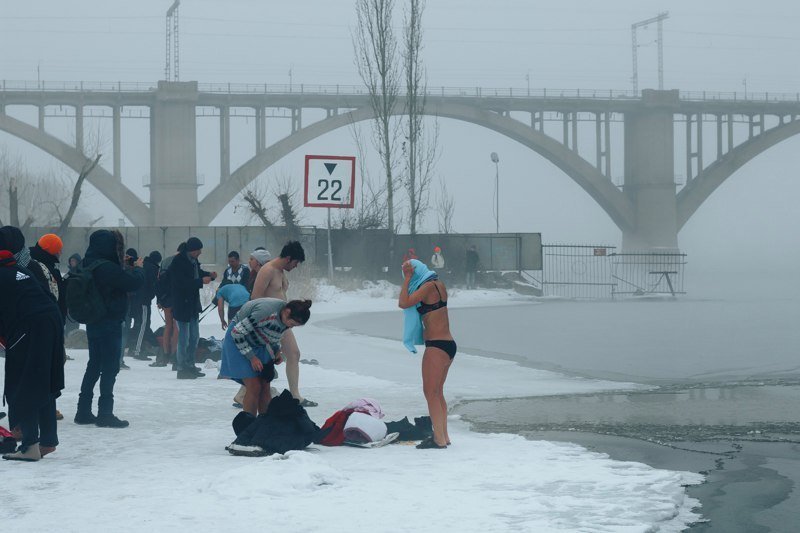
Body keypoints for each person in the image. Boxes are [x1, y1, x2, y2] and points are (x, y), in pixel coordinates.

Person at [0, 226, 65, 461]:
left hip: (30, 326)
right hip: (49, 323)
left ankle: (30, 446)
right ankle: (45, 441)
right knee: (40, 380)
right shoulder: (20, 268)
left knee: (23, 382)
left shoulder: (10, 271)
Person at [75, 229, 143, 429]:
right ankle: (105, 412)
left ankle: (83, 410)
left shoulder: (86, 264)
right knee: (110, 367)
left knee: (94, 364)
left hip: (92, 321)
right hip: (110, 322)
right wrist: (138, 268)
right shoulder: (107, 268)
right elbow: (133, 283)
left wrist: (123, 265)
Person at [398, 259, 456, 450]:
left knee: (430, 392)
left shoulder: (428, 287)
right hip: (447, 345)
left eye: (410, 274)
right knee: (437, 392)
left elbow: (403, 302)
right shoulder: (438, 284)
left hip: (437, 346)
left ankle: (438, 439)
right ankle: (444, 436)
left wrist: (407, 279)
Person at [219, 298, 311, 416]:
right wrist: (252, 357)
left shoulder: (285, 318)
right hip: (238, 339)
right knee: (254, 387)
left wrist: (276, 351)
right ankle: (249, 423)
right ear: (287, 312)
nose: (291, 327)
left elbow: (275, 334)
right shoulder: (265, 312)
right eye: (292, 324)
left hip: (259, 341)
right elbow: (237, 333)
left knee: (265, 384)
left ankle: (265, 422)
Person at [250, 241, 315, 407]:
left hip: (283, 321)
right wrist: (263, 324)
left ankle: (295, 395)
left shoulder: (280, 271)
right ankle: (245, 393)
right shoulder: (268, 270)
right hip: (269, 321)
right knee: (270, 358)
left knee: (293, 354)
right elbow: (255, 298)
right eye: (295, 262)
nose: (296, 266)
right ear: (288, 258)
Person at [168, 236, 216, 379]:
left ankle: (190, 364)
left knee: (194, 337)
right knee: (184, 338)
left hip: (193, 305)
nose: (200, 253)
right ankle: (181, 367)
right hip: (182, 304)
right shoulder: (178, 262)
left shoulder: (193, 261)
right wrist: (201, 281)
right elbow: (182, 283)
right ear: (192, 250)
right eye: (198, 250)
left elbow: (197, 274)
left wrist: (209, 275)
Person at [152, 243, 182, 368]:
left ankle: (165, 354)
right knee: (176, 326)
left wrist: (159, 299)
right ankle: (174, 355)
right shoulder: (182, 261)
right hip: (176, 296)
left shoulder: (165, 261)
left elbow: (158, 280)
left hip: (165, 298)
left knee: (168, 325)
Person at [128, 251, 161, 360]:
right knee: (143, 325)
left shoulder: (143, 265)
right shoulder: (153, 269)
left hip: (136, 299)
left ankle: (133, 347)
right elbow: (153, 285)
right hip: (144, 301)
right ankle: (138, 351)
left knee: (138, 324)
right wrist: (156, 298)